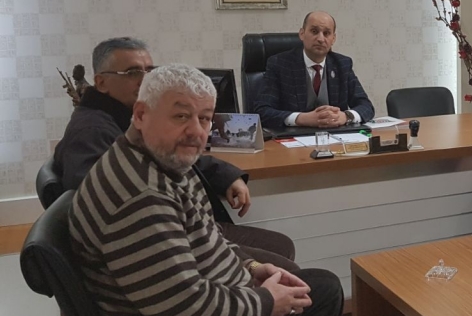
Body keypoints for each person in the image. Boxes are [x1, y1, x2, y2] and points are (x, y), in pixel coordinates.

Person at [69, 64, 388, 316]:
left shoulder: (162, 161)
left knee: (321, 288)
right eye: (181, 116)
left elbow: (208, 238)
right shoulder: (141, 196)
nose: (197, 131)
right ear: (140, 114)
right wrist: (265, 302)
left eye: (205, 118)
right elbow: (184, 306)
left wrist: (252, 269)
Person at [53, 37, 296, 270]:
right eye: (133, 72)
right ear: (101, 82)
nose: (145, 80)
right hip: (161, 239)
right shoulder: (92, 131)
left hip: (179, 225)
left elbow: (171, 153)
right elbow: (107, 207)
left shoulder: (118, 116)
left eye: (149, 71)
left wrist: (227, 175)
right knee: (282, 257)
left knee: (281, 251)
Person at [254, 11, 374, 130]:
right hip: (293, 137)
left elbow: (366, 106)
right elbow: (262, 111)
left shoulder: (342, 64)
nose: (321, 39)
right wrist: (301, 118)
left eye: (326, 33)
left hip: (335, 136)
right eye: (314, 31)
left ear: (333, 39)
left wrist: (345, 116)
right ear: (302, 34)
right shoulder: (279, 64)